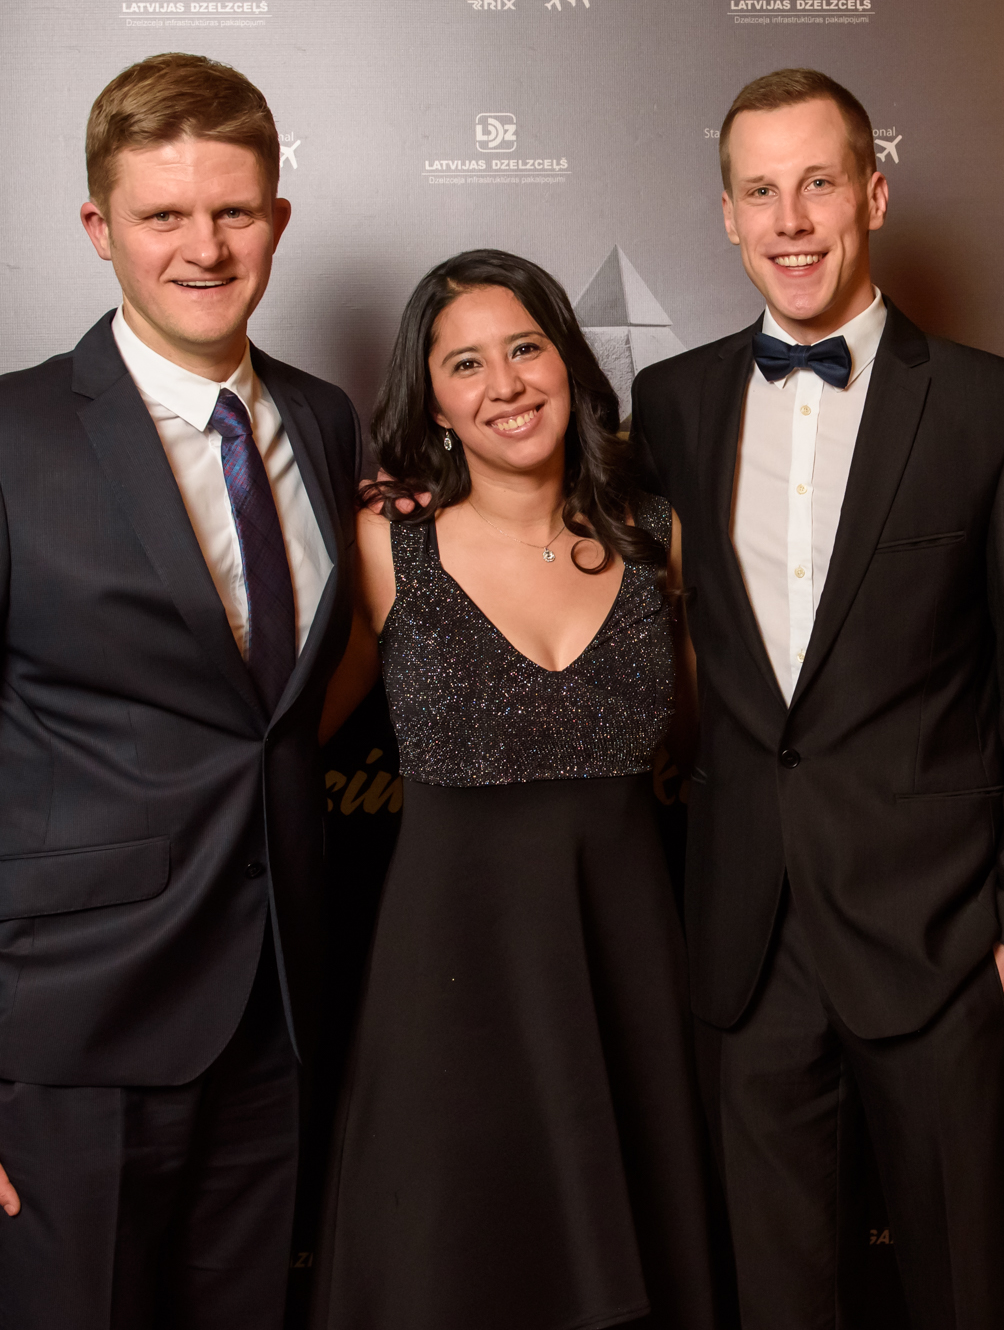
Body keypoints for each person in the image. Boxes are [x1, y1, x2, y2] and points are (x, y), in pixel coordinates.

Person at [0, 53, 362, 1329]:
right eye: (162, 214)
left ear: (277, 218)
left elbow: (274, 715)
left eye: (233, 211)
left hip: (274, 1021)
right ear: (98, 228)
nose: (203, 248)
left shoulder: (324, 420)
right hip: (63, 1040)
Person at [630, 70, 1004, 1329]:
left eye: (817, 185)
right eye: (759, 192)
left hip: (937, 943)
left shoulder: (995, 409)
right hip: (746, 943)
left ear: (871, 195)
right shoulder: (669, 405)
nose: (789, 221)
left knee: (964, 1294)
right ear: (727, 215)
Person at [311, 249, 717, 1330]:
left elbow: (719, 744)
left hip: (625, 966)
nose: (505, 385)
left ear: (570, 363)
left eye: (526, 348)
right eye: (465, 364)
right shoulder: (384, 546)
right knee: (449, 1269)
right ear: (433, 403)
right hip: (447, 981)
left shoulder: (656, 540)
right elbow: (276, 741)